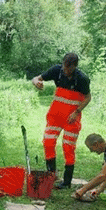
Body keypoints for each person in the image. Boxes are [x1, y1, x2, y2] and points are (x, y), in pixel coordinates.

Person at [32, 53, 91, 189]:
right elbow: (36, 78)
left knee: (68, 147)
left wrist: (76, 112)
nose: (65, 71)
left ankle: (67, 182)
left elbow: (88, 97)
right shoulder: (56, 70)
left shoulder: (82, 79)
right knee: (48, 142)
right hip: (55, 116)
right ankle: (51, 175)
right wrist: (37, 82)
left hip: (72, 118)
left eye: (69, 69)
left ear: (75, 67)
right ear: (63, 63)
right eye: (64, 67)